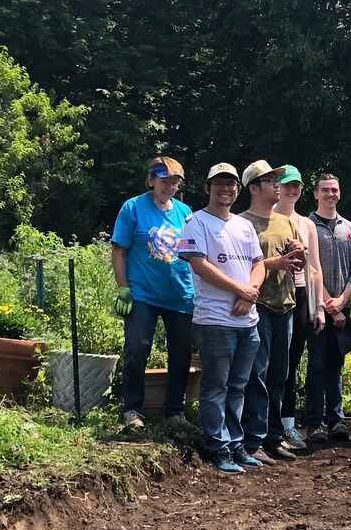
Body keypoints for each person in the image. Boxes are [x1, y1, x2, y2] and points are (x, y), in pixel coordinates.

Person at [178, 164, 265, 472]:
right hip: (214, 320)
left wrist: (249, 291)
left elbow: (259, 263)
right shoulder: (195, 222)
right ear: (208, 187)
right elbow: (199, 265)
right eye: (219, 184)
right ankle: (218, 446)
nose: (225, 189)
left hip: (247, 321)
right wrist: (239, 289)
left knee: (238, 386)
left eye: (230, 184)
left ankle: (236, 444)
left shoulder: (244, 226)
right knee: (216, 386)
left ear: (238, 190)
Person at [109, 156, 195, 429]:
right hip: (143, 293)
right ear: (151, 180)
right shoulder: (133, 208)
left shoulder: (185, 212)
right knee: (137, 348)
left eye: (175, 182)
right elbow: (119, 250)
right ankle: (132, 410)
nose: (170, 186)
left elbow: (192, 254)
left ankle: (175, 412)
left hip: (180, 294)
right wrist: (123, 289)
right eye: (165, 180)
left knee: (180, 354)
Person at [239, 160, 309, 464]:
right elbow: (240, 267)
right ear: (254, 188)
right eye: (270, 181)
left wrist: (299, 255)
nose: (277, 185)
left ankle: (274, 437)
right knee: (259, 374)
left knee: (280, 374)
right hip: (260, 307)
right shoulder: (241, 223)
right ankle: (253, 440)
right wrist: (273, 264)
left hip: (286, 305)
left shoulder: (286, 221)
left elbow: (298, 264)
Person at [304, 172, 351, 443]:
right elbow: (309, 269)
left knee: (336, 364)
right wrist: (329, 304)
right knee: (316, 363)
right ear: (315, 194)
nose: (330, 194)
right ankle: (313, 423)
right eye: (325, 190)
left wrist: (343, 300)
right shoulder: (306, 226)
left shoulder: (350, 229)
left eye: (334, 190)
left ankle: (336, 419)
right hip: (316, 307)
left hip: (343, 306)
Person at [275, 165, 324, 450]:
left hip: (301, 293)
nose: (292, 190)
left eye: (297, 186)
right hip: (273, 294)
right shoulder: (267, 218)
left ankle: (288, 424)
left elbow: (315, 268)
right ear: (277, 188)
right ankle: (266, 423)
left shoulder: (307, 224)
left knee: (292, 361)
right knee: (272, 362)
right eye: (287, 185)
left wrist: (318, 307)